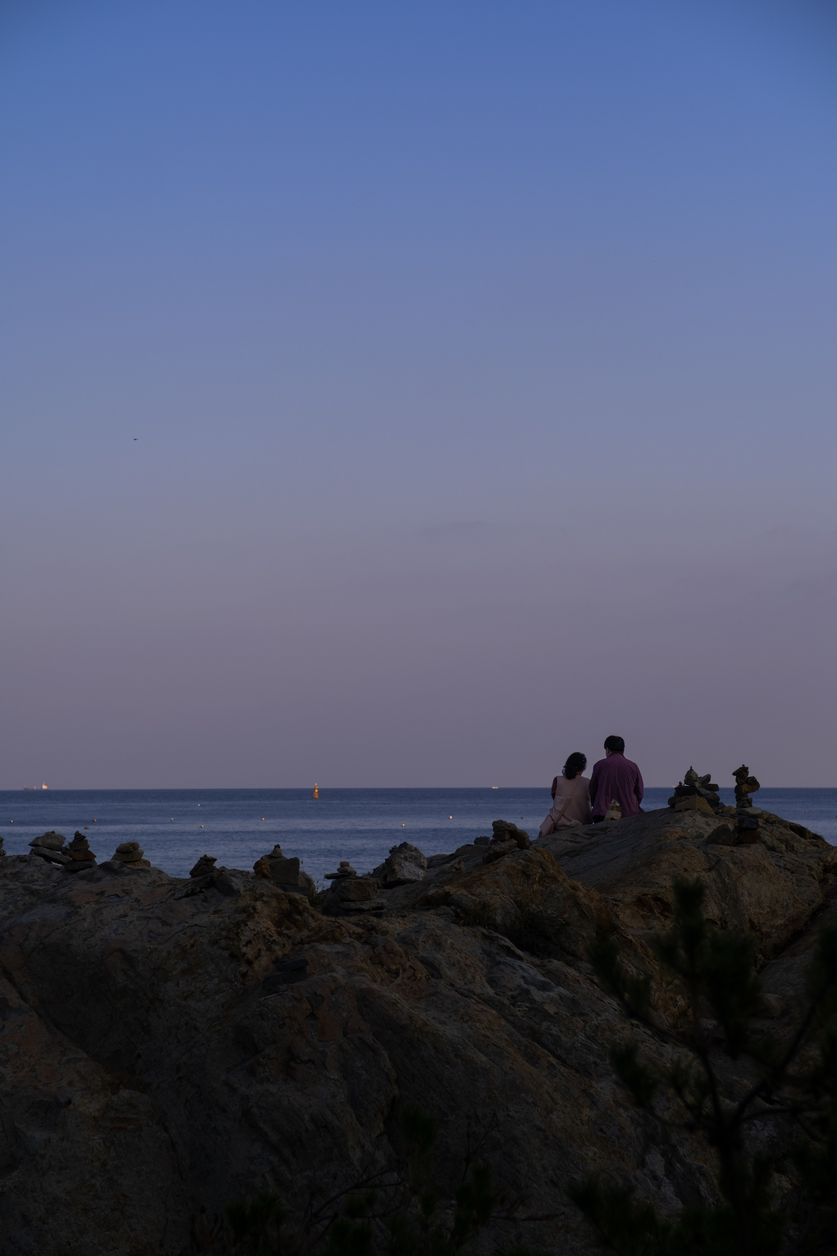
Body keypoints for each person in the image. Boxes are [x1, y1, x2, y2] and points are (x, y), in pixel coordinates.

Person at [589, 735, 644, 822]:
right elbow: (639, 792)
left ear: (607, 749)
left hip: (602, 813)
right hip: (628, 813)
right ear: (623, 750)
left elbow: (592, 790)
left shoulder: (599, 765)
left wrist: (595, 804)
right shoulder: (633, 766)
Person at [538, 752, 592, 837]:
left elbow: (555, 800)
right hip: (581, 826)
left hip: (559, 826)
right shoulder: (587, 783)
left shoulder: (557, 780)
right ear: (583, 768)